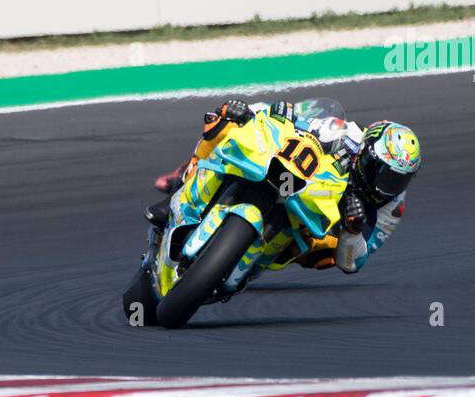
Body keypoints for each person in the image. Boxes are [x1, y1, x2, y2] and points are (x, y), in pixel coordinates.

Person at [147, 99, 420, 275]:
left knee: (326, 254)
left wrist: (353, 229)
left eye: (396, 180)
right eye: (380, 172)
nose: (384, 185)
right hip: (301, 181)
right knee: (229, 120)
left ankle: (251, 257)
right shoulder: (348, 134)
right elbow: (297, 122)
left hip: (313, 221)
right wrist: (261, 112)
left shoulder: (392, 206)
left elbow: (354, 262)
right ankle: (185, 177)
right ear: (365, 154)